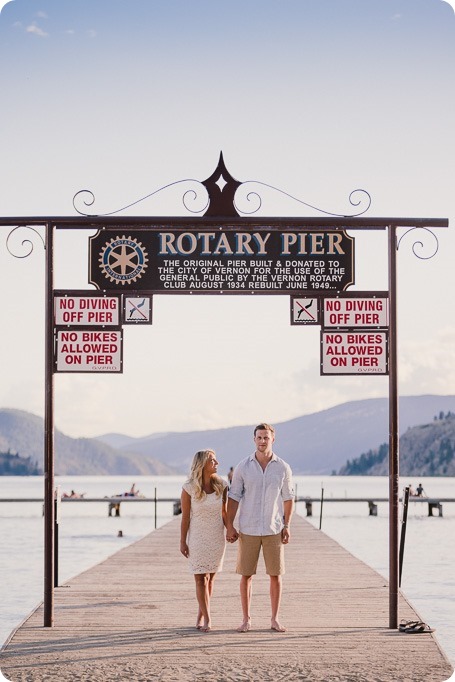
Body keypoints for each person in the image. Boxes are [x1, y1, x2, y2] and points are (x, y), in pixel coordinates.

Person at [226, 422, 295, 633]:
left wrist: (287, 525)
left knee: (276, 575)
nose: (263, 441)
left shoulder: (283, 467)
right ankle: (246, 619)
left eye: (266, 437)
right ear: (254, 439)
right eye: (259, 437)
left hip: (274, 528)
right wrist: (229, 525)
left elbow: (289, 497)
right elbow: (234, 497)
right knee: (246, 575)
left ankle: (274, 619)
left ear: (273, 439)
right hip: (248, 527)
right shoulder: (243, 467)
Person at [180, 449, 228, 633]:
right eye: (212, 461)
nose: (217, 463)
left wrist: (230, 529)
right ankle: (208, 618)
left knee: (211, 579)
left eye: (216, 460)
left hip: (216, 536)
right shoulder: (189, 487)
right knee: (200, 578)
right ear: (202, 464)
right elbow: (185, 518)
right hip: (198, 537)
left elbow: (224, 513)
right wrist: (182, 542)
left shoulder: (222, 485)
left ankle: (201, 615)